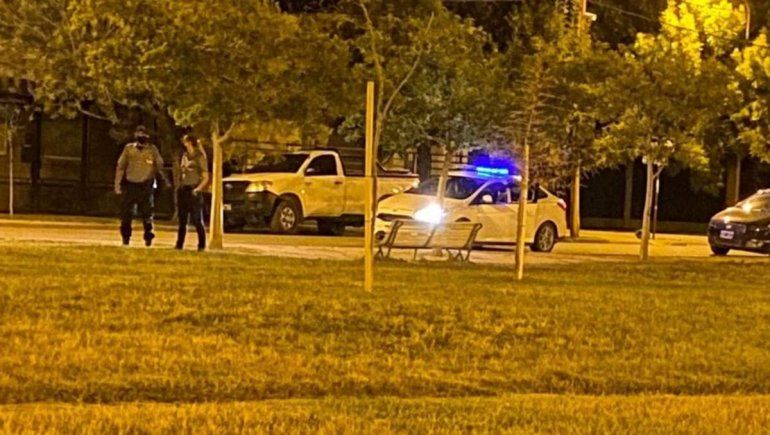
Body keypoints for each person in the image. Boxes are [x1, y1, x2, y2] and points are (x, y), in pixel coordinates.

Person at [114, 126, 169, 247]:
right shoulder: (129, 149)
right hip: (130, 185)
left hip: (146, 185)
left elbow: (159, 165)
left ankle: (148, 238)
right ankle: (126, 239)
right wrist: (117, 184)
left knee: (147, 215)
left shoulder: (152, 150)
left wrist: (161, 179)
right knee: (126, 214)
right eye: (139, 133)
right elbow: (121, 167)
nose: (141, 136)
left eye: (144, 134)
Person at [175, 134, 209, 251]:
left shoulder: (199, 157)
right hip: (183, 188)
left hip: (194, 190)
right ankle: (179, 244)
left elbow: (205, 176)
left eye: (186, 141)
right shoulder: (184, 155)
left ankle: (202, 245)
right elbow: (182, 170)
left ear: (190, 142)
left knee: (197, 220)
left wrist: (198, 189)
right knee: (182, 220)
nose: (184, 144)